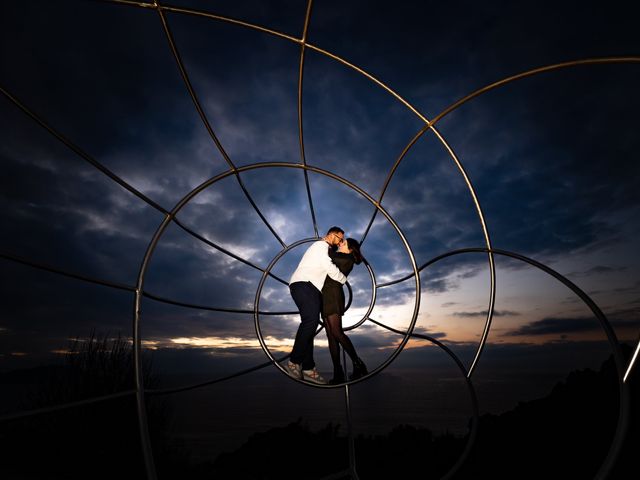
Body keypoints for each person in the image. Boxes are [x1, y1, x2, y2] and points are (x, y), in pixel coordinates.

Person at [287, 227, 347, 384]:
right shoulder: (321, 246)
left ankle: (308, 369)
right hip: (304, 285)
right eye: (339, 238)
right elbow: (329, 267)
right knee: (310, 322)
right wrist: (343, 279)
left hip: (308, 287)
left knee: (310, 324)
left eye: (342, 240)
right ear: (329, 235)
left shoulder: (322, 248)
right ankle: (294, 362)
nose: (340, 241)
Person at [322, 237, 368, 384]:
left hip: (332, 295)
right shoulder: (343, 257)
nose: (340, 243)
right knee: (331, 335)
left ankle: (358, 364)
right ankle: (338, 373)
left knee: (336, 332)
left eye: (343, 242)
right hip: (326, 295)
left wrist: (326, 242)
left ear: (349, 248)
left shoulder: (346, 258)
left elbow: (326, 254)